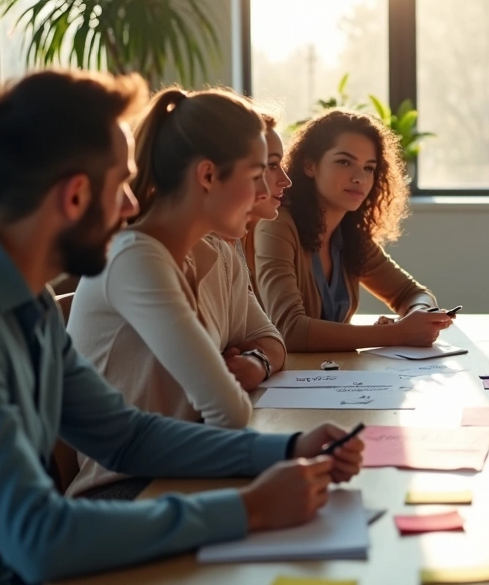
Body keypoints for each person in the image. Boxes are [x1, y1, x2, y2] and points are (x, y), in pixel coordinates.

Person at [0, 69, 363, 585]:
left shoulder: (25, 296)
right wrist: (250, 509)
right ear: (76, 196)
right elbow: (38, 538)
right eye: (121, 185)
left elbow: (125, 437)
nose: (132, 204)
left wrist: (286, 449)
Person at [65, 86, 291, 498]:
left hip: (183, 471)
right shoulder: (135, 259)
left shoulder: (216, 252)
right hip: (129, 490)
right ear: (208, 176)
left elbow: (268, 341)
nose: (264, 191)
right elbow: (229, 412)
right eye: (256, 175)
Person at [255, 109, 451, 352]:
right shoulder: (277, 225)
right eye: (344, 162)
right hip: (282, 373)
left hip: (335, 372)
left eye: (369, 168)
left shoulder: (348, 235)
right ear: (309, 165)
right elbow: (290, 330)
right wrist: (397, 333)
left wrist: (418, 315)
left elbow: (410, 293)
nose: (360, 178)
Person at [237, 112, 292, 300]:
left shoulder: (233, 245)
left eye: (369, 168)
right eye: (272, 165)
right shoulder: (211, 250)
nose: (286, 181)